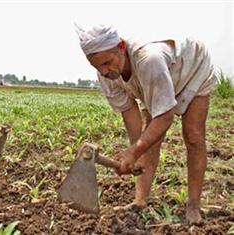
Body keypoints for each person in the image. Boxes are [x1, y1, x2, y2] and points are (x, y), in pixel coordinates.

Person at [76, 24, 217, 224]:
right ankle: (140, 201)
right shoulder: (106, 74)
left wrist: (134, 151)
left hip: (191, 69)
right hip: (156, 80)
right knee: (148, 139)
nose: (104, 71)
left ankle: (193, 205)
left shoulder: (148, 59)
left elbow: (165, 117)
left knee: (193, 135)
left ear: (122, 47)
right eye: (97, 66)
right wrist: (137, 152)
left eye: (107, 62)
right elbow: (129, 112)